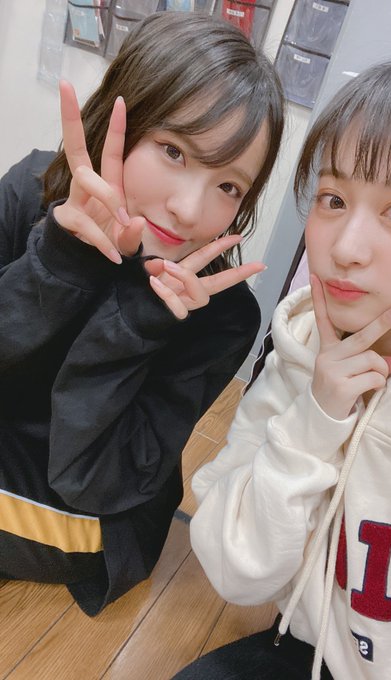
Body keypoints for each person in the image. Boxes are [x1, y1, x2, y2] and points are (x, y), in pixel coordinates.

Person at [177, 61, 391, 679]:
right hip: (313, 652)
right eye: (333, 200)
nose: (345, 248)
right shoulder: (306, 346)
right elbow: (231, 567)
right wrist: (317, 418)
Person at [0, 11, 284, 616]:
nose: (189, 209)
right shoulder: (32, 191)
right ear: (119, 123)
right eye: (174, 151)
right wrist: (60, 262)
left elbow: (94, 478)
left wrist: (137, 320)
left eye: (229, 187)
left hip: (98, 509)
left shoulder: (222, 315)